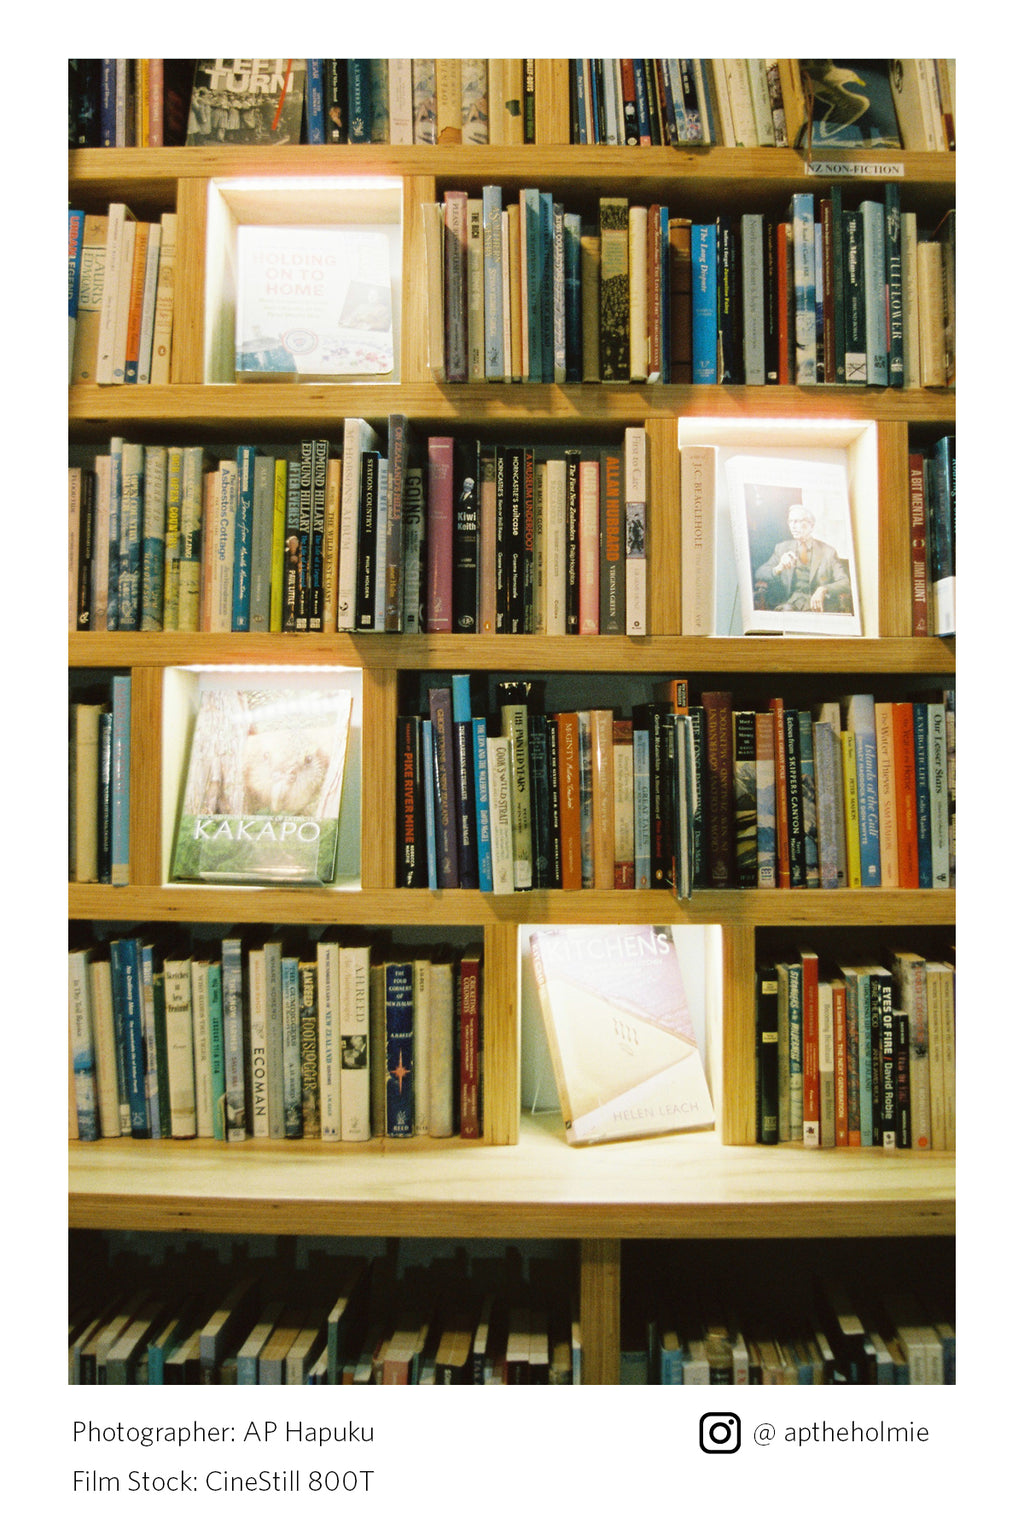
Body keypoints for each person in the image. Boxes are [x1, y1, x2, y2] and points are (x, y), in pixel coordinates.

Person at [753, 503, 852, 613]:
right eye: (791, 521)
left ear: (811, 525)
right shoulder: (782, 548)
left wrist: (823, 589)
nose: (793, 526)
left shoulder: (828, 552)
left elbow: (845, 582)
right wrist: (779, 568)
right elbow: (759, 573)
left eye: (798, 521)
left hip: (818, 609)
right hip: (789, 605)